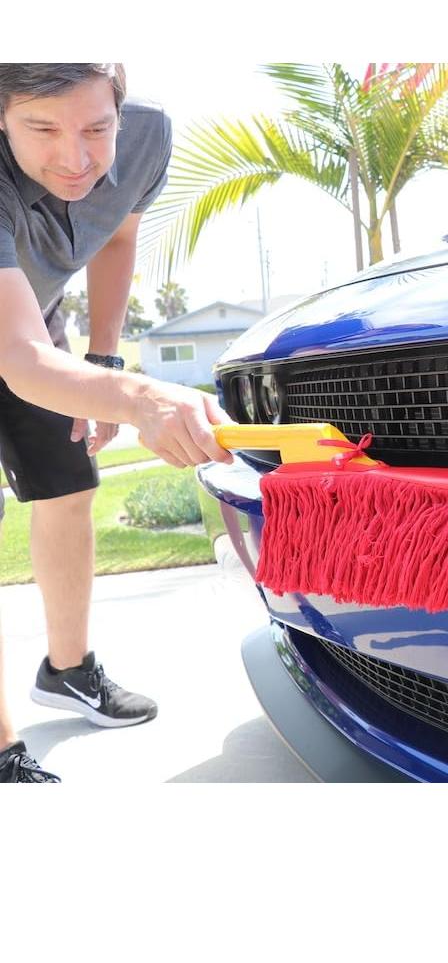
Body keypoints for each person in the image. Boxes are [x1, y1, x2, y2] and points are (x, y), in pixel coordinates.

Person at [0, 64, 232, 783]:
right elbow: (17, 359)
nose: (76, 158)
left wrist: (102, 362)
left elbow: (119, 239)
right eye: (42, 129)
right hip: (18, 341)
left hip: (30, 319)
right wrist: (137, 398)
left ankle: (67, 669)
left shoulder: (147, 137)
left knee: (68, 486)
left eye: (96, 128)